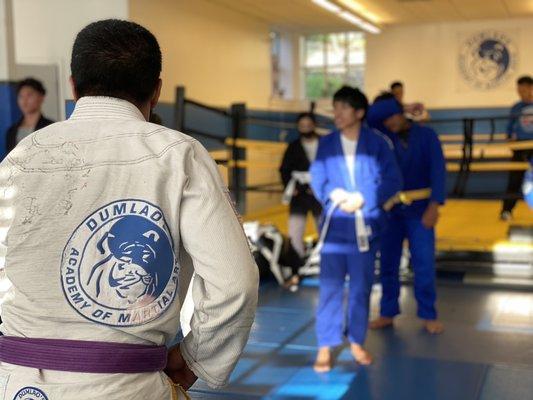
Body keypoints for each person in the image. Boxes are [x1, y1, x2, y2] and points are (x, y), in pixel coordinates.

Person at [0, 19, 258, 400]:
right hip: (126, 387)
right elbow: (235, 283)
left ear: (73, 85)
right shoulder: (179, 155)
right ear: (156, 90)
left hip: (17, 384)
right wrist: (195, 358)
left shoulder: (20, 157)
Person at [310, 86, 402, 371]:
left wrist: (365, 198)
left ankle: (357, 342)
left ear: (359, 112)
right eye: (335, 107)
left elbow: (393, 179)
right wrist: (332, 194)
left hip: (365, 230)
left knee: (362, 290)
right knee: (330, 289)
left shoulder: (378, 143)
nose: (337, 113)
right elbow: (318, 176)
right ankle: (325, 345)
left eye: (343, 108)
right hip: (336, 230)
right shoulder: (326, 144)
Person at [367, 92, 446, 335]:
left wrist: (435, 206)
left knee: (423, 262)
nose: (390, 123)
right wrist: (397, 106)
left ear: (401, 114)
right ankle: (387, 312)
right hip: (390, 211)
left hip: (420, 208)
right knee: (388, 264)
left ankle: (428, 314)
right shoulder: (381, 137)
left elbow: (439, 171)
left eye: (393, 116)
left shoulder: (427, 135)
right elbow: (367, 119)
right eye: (385, 119)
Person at [279, 112, 322, 290]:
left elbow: (332, 165)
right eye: (301, 125)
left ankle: (330, 270)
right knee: (295, 233)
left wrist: (321, 184)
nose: (305, 128)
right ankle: (296, 271)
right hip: (299, 194)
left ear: (313, 125)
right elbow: (284, 169)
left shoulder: (324, 144)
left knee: (326, 230)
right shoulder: (293, 146)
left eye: (308, 125)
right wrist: (294, 187)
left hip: (321, 193)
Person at [501, 75, 533, 220]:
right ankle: (506, 211)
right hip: (520, 147)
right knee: (514, 180)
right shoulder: (516, 108)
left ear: (531, 88)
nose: (521, 92)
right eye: (519, 90)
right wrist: (510, 138)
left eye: (524, 89)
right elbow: (508, 128)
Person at [5, 78, 54, 153]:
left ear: (41, 97)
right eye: (21, 96)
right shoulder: (11, 131)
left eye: (29, 95)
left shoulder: (50, 127)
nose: (24, 101)